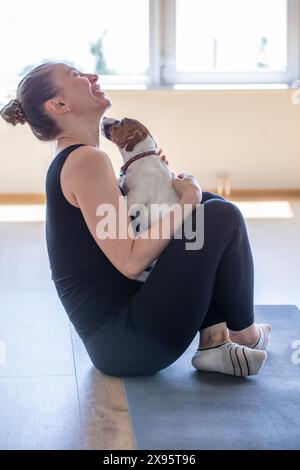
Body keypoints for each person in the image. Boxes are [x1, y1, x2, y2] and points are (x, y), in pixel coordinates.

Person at [0, 61, 271, 378]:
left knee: (209, 207)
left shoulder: (76, 157)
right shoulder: (86, 160)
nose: (92, 76)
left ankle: (215, 342)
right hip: (129, 340)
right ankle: (243, 334)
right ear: (58, 105)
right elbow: (130, 261)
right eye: (76, 76)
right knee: (218, 215)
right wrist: (188, 200)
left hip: (118, 342)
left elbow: (130, 233)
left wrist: (172, 193)